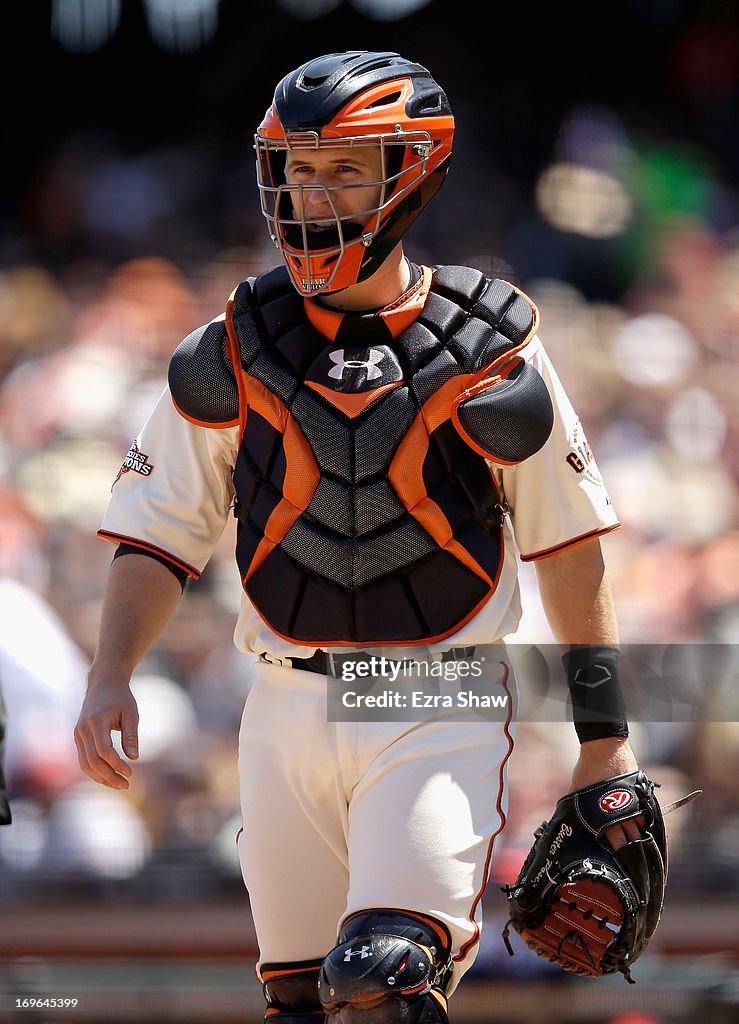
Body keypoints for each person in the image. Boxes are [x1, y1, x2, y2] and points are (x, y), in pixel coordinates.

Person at [75, 51, 644, 1023]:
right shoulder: (234, 344)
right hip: (281, 703)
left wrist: (606, 742)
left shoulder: (489, 344)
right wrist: (109, 673)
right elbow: (159, 530)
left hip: (435, 694)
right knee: (301, 1003)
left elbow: (571, 543)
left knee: (380, 979)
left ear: (410, 172)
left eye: (344, 167)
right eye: (297, 167)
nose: (311, 191)